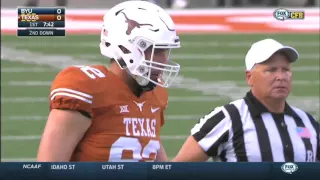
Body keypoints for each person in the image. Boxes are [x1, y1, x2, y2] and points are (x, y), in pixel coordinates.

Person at [37, 1, 181, 162]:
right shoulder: (86, 87)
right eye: (156, 50)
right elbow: (49, 168)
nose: (163, 61)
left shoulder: (155, 95)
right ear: (126, 48)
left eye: (165, 51)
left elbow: (155, 157)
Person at [172, 39, 319, 162]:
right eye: (271, 70)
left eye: (286, 70)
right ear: (249, 77)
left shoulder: (307, 122)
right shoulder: (228, 118)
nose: (281, 76)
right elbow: (176, 170)